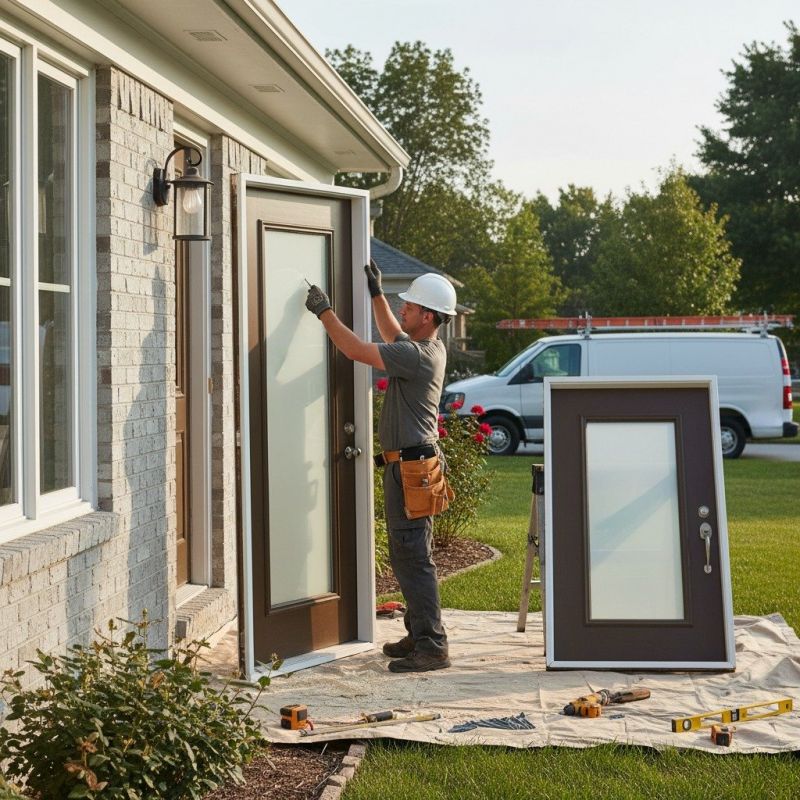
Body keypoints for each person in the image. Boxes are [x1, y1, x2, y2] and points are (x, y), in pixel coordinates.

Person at [305, 261, 457, 673]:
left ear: (428, 316)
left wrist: (324, 312)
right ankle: (419, 633)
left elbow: (355, 350)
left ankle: (432, 645)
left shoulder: (418, 356)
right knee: (409, 554)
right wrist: (375, 293)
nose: (401, 308)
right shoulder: (426, 348)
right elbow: (392, 334)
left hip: (412, 470)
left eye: (408, 306)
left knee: (413, 557)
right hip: (409, 467)